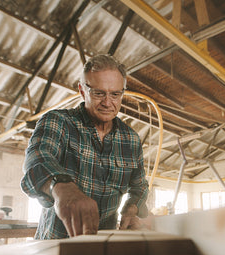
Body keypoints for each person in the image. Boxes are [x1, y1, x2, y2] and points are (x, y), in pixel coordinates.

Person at [21, 54, 149, 239]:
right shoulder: (58, 122)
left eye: (115, 94)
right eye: (98, 93)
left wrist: (132, 208)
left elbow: (140, 186)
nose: (107, 102)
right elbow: (38, 158)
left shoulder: (131, 139)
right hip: (56, 244)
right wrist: (62, 187)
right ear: (82, 91)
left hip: (104, 245)